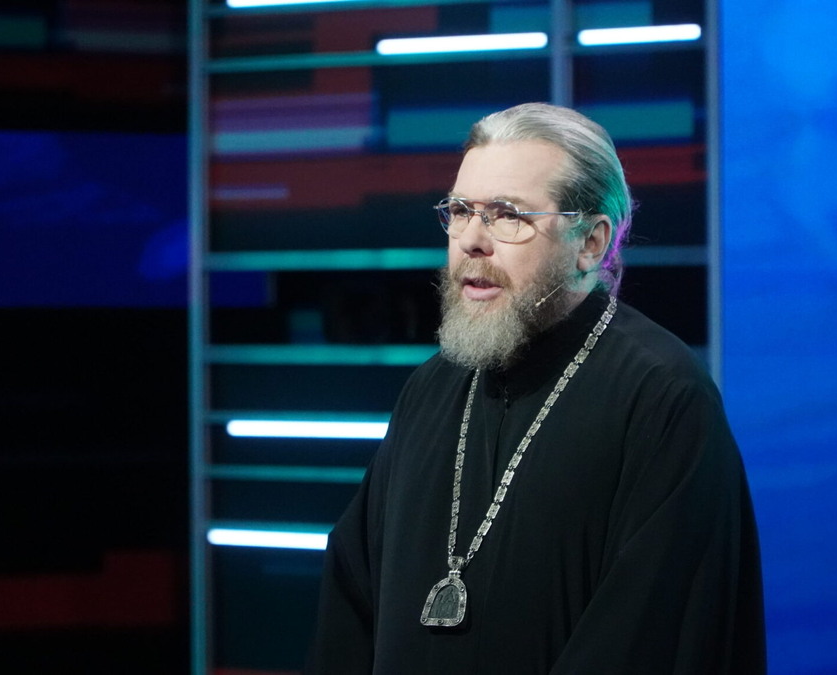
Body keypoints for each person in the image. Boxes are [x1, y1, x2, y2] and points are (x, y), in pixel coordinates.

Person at [305, 102, 766, 673]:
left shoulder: (663, 400)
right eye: (461, 211)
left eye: (507, 216)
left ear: (590, 243)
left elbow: (651, 639)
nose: (472, 240)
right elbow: (350, 602)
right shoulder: (432, 387)